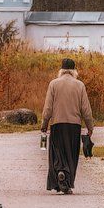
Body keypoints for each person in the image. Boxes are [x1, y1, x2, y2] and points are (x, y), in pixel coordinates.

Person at [40, 58, 94, 194]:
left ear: (61, 70)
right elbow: (86, 110)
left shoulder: (53, 84)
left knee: (57, 153)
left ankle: (60, 171)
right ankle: (67, 182)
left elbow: (48, 108)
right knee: (71, 155)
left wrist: (44, 124)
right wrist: (90, 127)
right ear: (74, 71)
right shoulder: (80, 85)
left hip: (57, 125)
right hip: (74, 126)